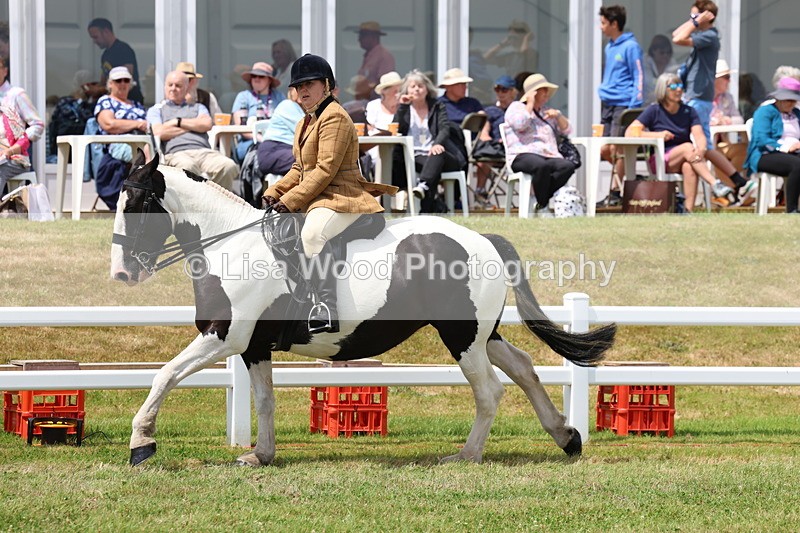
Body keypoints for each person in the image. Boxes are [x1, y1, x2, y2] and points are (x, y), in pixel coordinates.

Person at [262, 54, 397, 334]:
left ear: (326, 85)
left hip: (343, 197)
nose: (303, 91)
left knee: (312, 234)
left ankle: (325, 307)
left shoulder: (335, 117)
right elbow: (300, 168)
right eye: (299, 86)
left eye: (309, 84)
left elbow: (324, 170)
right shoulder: (304, 122)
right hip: (320, 197)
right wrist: (275, 191)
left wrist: (290, 200)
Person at [627, 73, 733, 213]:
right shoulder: (654, 110)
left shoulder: (689, 111)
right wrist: (658, 135)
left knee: (689, 166)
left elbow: (699, 135)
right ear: (663, 89)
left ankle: (687, 211)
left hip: (687, 157)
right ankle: (714, 183)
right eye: (673, 86)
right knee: (688, 147)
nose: (678, 90)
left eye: (680, 86)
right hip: (660, 159)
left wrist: (701, 150)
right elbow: (630, 132)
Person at [147, 70, 239, 191]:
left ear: (186, 88)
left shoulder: (198, 107)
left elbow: (207, 124)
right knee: (188, 167)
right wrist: (193, 126)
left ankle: (215, 203)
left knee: (228, 166)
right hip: (177, 153)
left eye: (178, 85)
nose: (173, 88)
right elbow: (159, 132)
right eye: (170, 85)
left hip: (205, 152)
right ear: (165, 86)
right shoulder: (157, 110)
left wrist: (177, 122)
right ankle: (195, 206)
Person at [394, 69, 467, 213]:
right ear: (407, 90)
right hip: (414, 155)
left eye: (420, 86)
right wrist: (401, 107)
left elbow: (444, 129)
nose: (417, 89)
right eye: (413, 86)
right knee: (431, 163)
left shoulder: (437, 106)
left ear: (427, 89)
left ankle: (423, 184)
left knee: (437, 154)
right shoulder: (405, 108)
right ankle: (425, 206)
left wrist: (437, 143)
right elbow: (396, 129)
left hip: (439, 155)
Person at [503, 73, 575, 216]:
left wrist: (558, 116)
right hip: (522, 154)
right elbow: (520, 124)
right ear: (533, 93)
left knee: (567, 166)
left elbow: (567, 130)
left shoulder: (546, 111)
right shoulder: (516, 107)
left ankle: (539, 201)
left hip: (548, 154)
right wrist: (529, 104)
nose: (547, 94)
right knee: (542, 166)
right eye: (543, 90)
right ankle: (543, 206)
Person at [597, 5, 644, 187]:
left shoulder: (631, 46)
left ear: (614, 24)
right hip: (607, 102)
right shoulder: (609, 47)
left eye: (603, 23)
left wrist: (635, 103)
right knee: (604, 148)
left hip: (623, 103)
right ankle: (630, 176)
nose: (601, 27)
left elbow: (638, 74)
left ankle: (616, 189)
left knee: (616, 147)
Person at [92, 66, 147, 210]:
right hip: (118, 144)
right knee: (149, 154)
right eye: (118, 80)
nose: (122, 83)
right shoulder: (106, 101)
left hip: (142, 142)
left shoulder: (137, 105)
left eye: (126, 80)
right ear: (110, 84)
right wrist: (138, 124)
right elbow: (109, 124)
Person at [745, 77, 800, 213]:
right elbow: (761, 139)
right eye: (789, 100)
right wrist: (785, 147)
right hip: (766, 154)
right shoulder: (765, 111)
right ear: (779, 98)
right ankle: (792, 209)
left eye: (794, 100)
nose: (792, 103)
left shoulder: (797, 114)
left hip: (794, 153)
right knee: (797, 165)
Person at [672, 1, 719, 143]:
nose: (692, 19)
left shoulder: (709, 36)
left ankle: (713, 165)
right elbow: (676, 33)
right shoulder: (703, 34)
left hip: (699, 95)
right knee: (699, 140)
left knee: (700, 140)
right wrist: (694, 20)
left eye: (695, 15)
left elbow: (678, 39)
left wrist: (697, 21)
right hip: (695, 95)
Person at [0, 55, 44, 195]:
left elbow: (37, 125)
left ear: (5, 71)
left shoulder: (16, 94)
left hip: (13, 157)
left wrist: (15, 148)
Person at [708, 59, 749, 202]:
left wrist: (727, 120)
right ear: (715, 79)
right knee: (717, 155)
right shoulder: (702, 98)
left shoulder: (728, 97)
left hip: (723, 143)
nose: (729, 81)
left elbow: (739, 119)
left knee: (745, 150)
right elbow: (696, 120)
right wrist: (713, 121)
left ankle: (729, 191)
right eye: (726, 78)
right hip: (706, 146)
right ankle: (735, 191)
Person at [231, 62, 285, 162]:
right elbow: (241, 127)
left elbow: (286, 122)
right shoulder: (243, 97)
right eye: (253, 76)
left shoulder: (279, 97)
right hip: (250, 143)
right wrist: (261, 138)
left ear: (269, 80)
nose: (256, 79)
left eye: (261, 76)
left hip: (277, 141)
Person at [47, 70, 105, 164]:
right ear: (85, 86)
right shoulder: (66, 104)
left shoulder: (95, 104)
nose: (98, 87)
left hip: (87, 156)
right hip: (65, 154)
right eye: (94, 84)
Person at [87, 18, 143, 104]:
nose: (94, 41)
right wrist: (94, 88)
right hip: (113, 100)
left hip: (130, 100)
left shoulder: (123, 49)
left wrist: (99, 90)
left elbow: (127, 79)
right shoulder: (105, 55)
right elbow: (104, 81)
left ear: (106, 32)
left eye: (95, 37)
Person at [256, 87, 303, 177]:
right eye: (298, 88)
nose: (303, 90)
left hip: (289, 151)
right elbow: (306, 132)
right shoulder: (288, 105)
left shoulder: (307, 111)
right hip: (273, 150)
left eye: (309, 86)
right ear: (291, 92)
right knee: (309, 159)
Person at [355, 21, 396, 89]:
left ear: (373, 36)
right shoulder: (368, 56)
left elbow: (385, 84)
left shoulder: (384, 56)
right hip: (365, 99)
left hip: (377, 98)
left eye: (363, 36)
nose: (359, 39)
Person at [644, 35, 678, 105]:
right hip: (645, 103)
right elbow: (648, 84)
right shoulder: (645, 62)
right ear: (653, 51)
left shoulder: (672, 63)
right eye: (662, 53)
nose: (665, 55)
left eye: (668, 53)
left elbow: (674, 86)